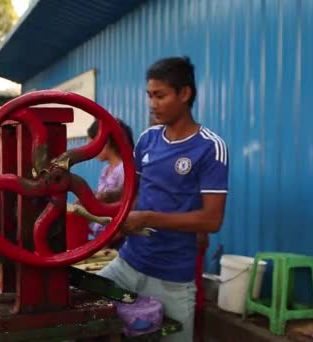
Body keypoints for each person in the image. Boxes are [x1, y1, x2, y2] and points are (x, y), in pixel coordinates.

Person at [98, 57, 229, 342]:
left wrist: (146, 218)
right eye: (149, 96)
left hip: (171, 279)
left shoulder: (210, 148)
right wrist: (120, 220)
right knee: (81, 301)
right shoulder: (148, 139)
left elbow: (212, 219)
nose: (152, 104)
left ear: (185, 94)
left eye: (160, 96)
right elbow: (136, 192)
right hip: (127, 264)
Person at [86, 118, 134, 240]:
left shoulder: (124, 169)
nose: (89, 150)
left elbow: (127, 205)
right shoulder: (105, 170)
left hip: (115, 239)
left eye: (92, 144)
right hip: (102, 236)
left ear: (105, 142)